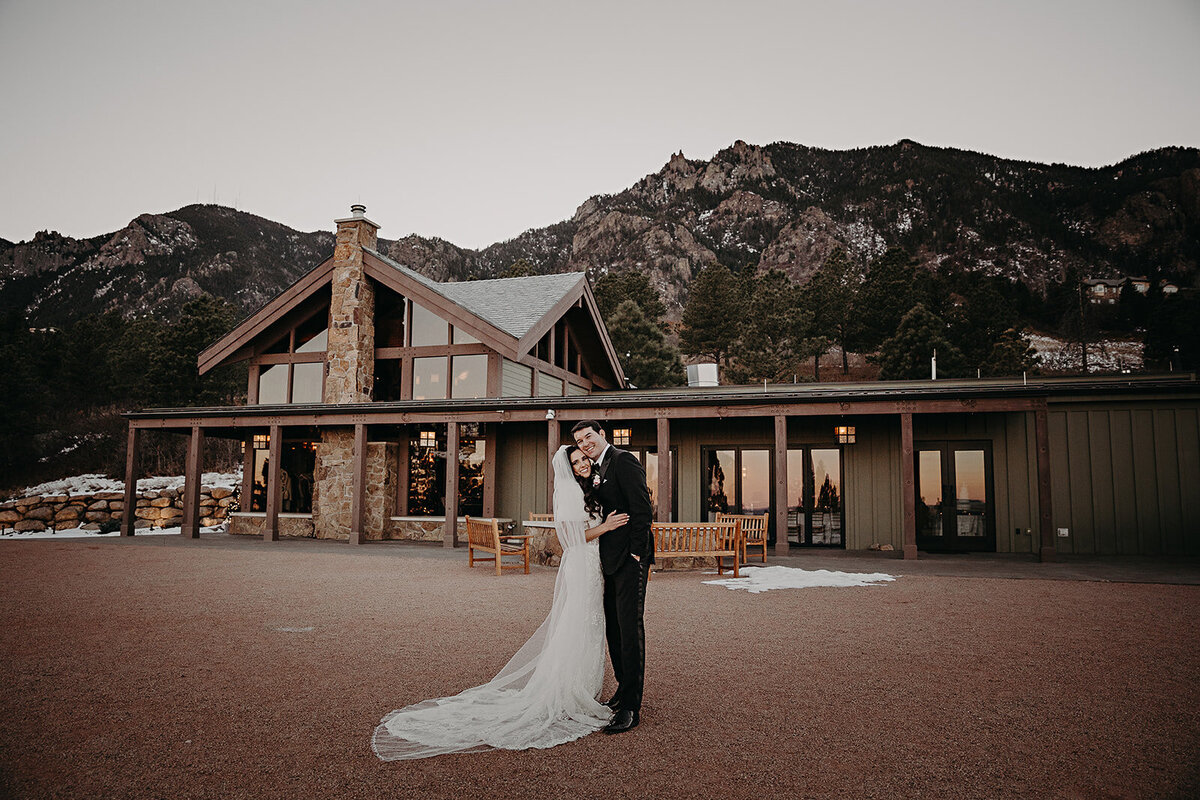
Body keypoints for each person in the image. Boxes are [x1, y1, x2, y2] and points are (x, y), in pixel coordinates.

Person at [371, 445, 628, 760]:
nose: (583, 464)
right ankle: (571, 692)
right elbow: (569, 537)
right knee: (579, 624)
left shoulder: (588, 488)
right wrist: (606, 527)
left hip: (592, 565)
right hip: (581, 565)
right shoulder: (571, 493)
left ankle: (584, 689)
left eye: (584, 459)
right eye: (576, 462)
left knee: (589, 624)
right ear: (569, 468)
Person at [570, 419, 654, 735]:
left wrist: (636, 553)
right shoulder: (595, 470)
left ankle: (631, 706)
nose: (585, 443)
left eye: (588, 436)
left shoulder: (623, 460)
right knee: (614, 629)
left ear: (601, 434)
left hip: (630, 561)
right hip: (607, 562)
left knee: (630, 629)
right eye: (579, 441)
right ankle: (622, 688)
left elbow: (643, 509)